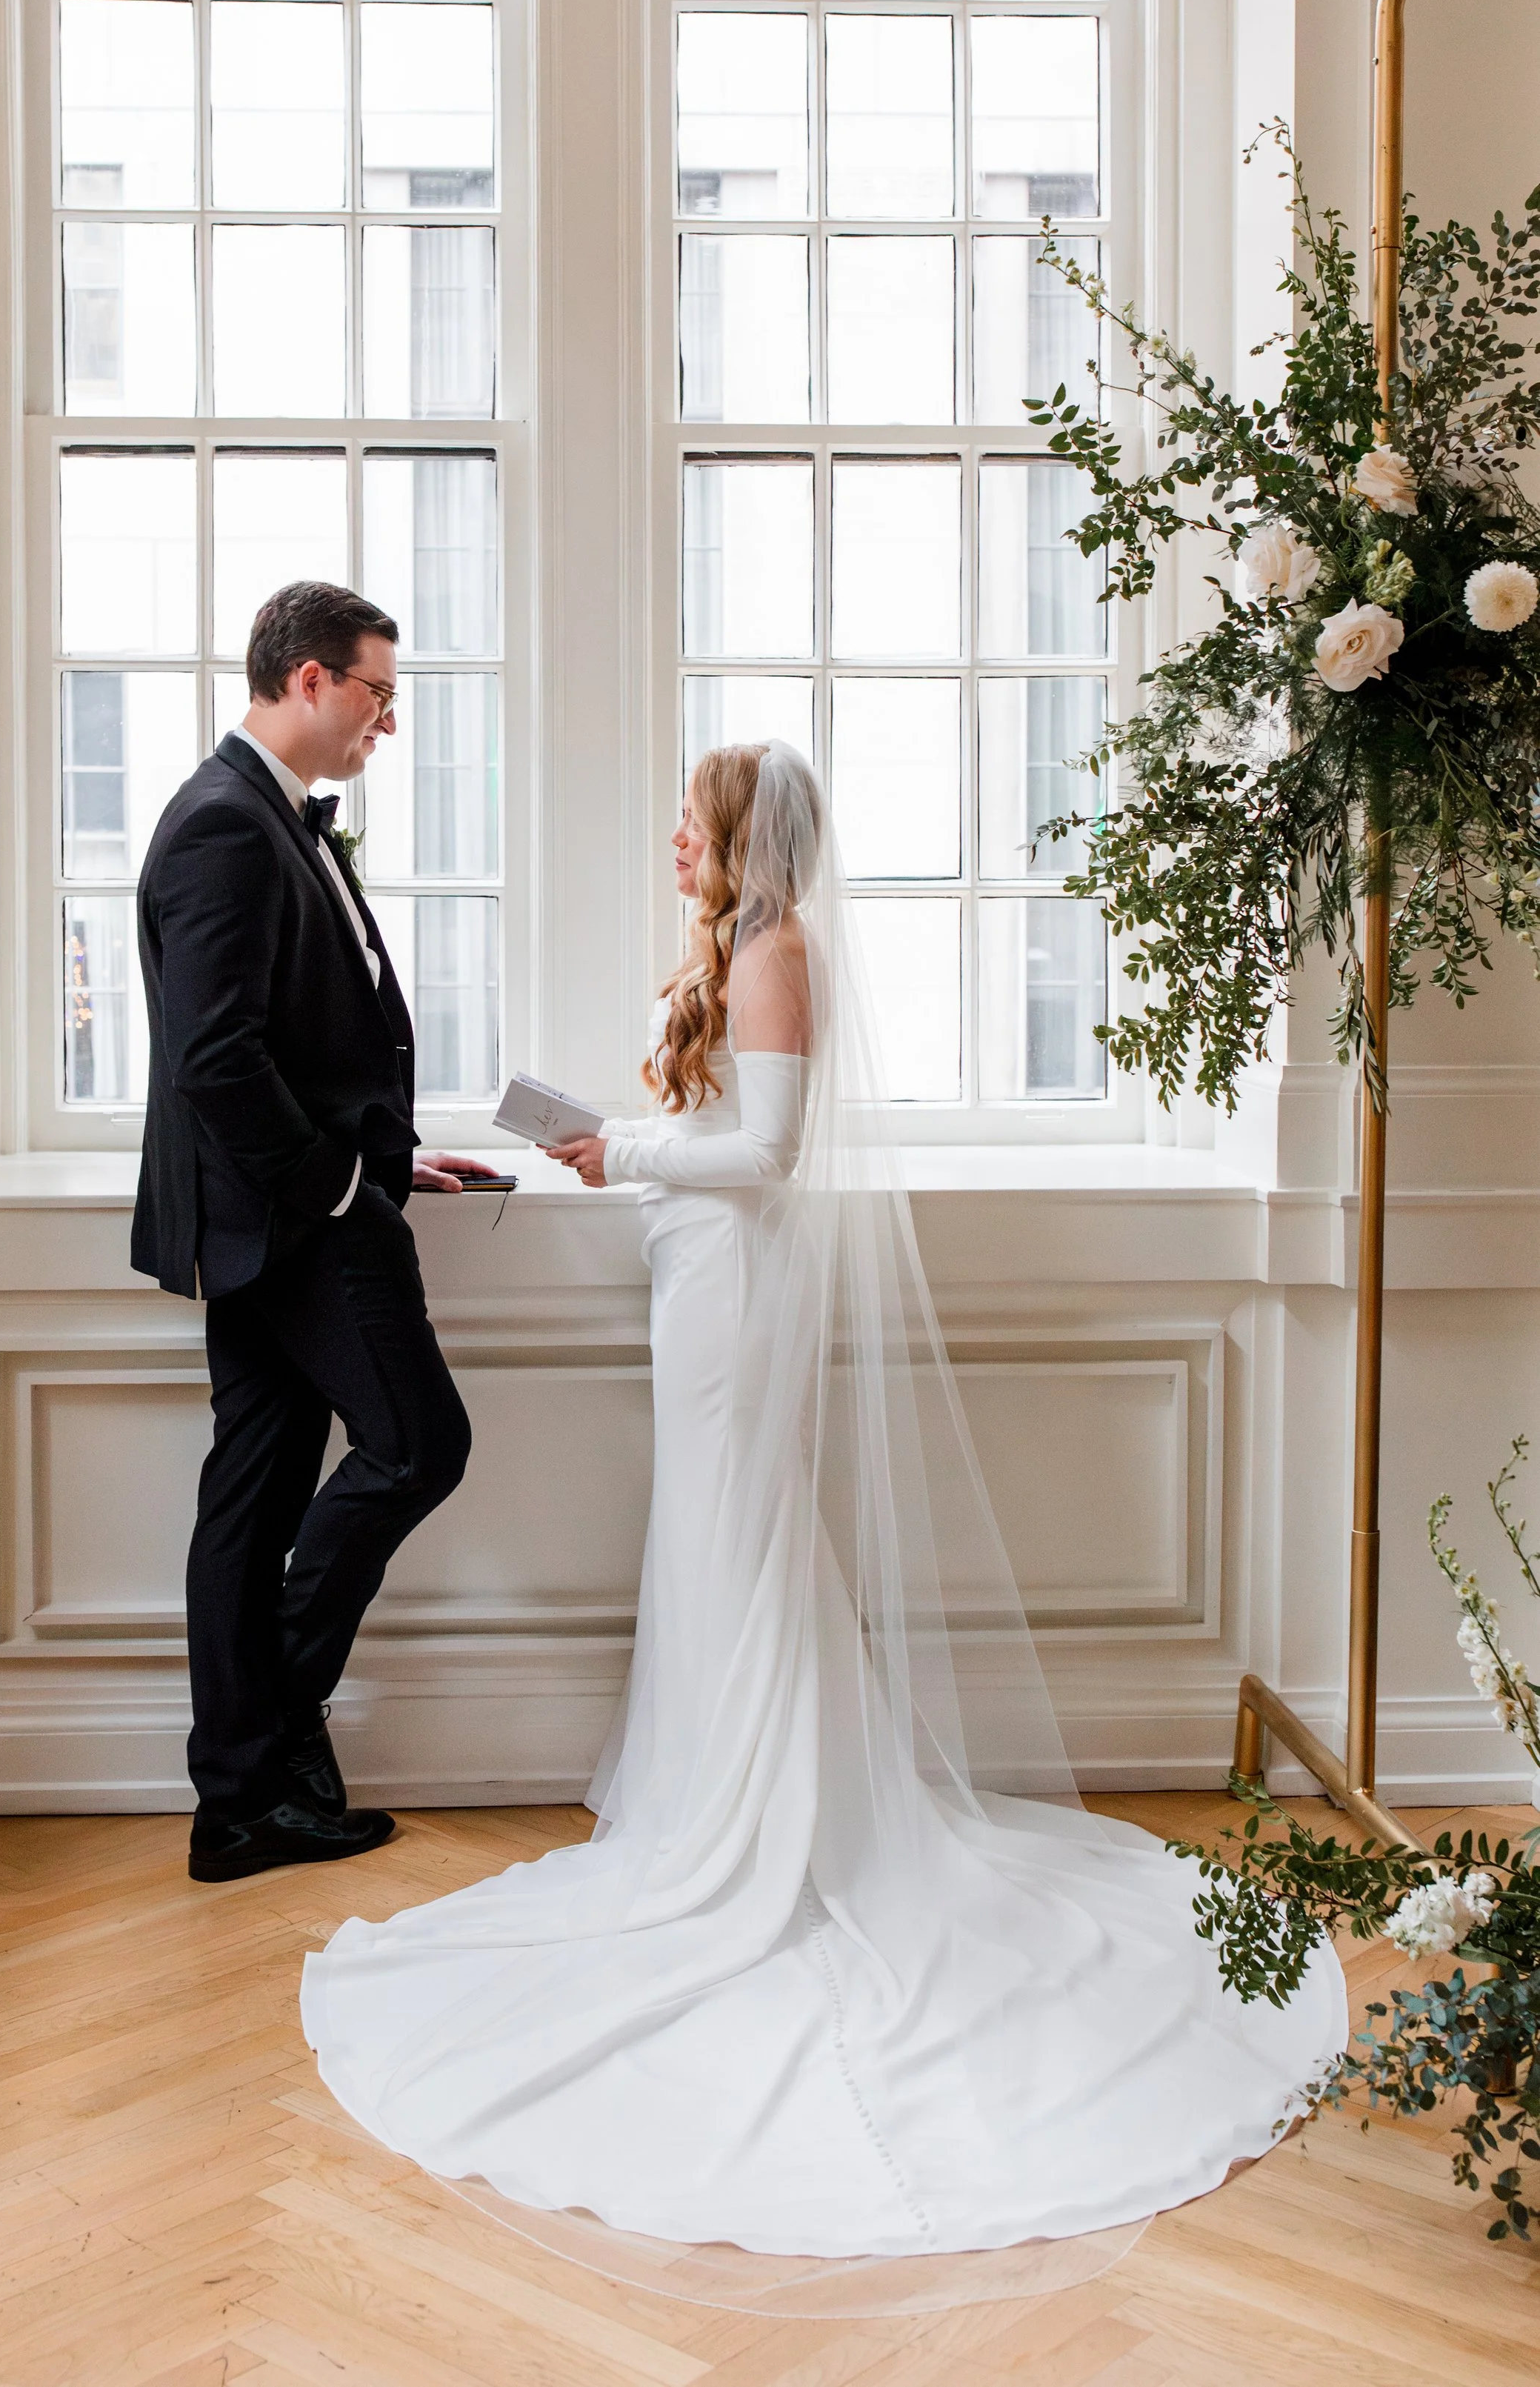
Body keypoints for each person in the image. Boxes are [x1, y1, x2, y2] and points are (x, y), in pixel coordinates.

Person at [298, 741, 1350, 2260]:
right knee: (723, 1546)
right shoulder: (738, 944)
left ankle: (768, 1826)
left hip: (733, 1289)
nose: (669, 834)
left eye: (686, 815)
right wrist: (630, 1148)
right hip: (698, 1277)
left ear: (738, 833)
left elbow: (769, 1147)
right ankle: (732, 1791)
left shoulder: (776, 946)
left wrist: (621, 1148)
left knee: (739, 1539)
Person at [133, 581, 493, 1886]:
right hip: (297, 1226)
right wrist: (343, 1188)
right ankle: (268, 1738)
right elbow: (217, 1061)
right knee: (421, 1445)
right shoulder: (227, 827)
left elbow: (301, 1036)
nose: (386, 722)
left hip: (288, 1215)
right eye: (378, 693)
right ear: (309, 681)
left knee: (258, 1491)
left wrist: (395, 1154)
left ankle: (240, 1800)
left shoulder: (264, 816)